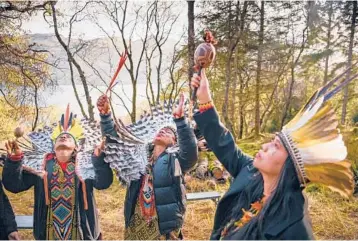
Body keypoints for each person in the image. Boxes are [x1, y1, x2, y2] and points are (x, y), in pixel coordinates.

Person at [190, 69, 354, 240]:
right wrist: (205, 100)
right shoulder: (253, 173)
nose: (264, 146)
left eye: (276, 145)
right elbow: (227, 147)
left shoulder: (294, 231)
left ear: (290, 165)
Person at [96, 93, 198, 240]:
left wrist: (180, 122)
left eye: (169, 132)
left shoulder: (175, 161)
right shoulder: (138, 157)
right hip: (136, 225)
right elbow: (114, 143)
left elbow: (190, 155)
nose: (163, 130)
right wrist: (105, 117)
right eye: (161, 129)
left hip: (163, 229)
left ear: (175, 142)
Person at [2, 106, 113, 240]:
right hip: (48, 235)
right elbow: (13, 186)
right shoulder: (40, 166)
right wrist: (14, 161)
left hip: (84, 235)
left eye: (68, 136)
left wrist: (99, 160)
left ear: (76, 147)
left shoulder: (87, 164)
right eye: (60, 136)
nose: (64, 136)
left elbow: (104, 183)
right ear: (53, 146)